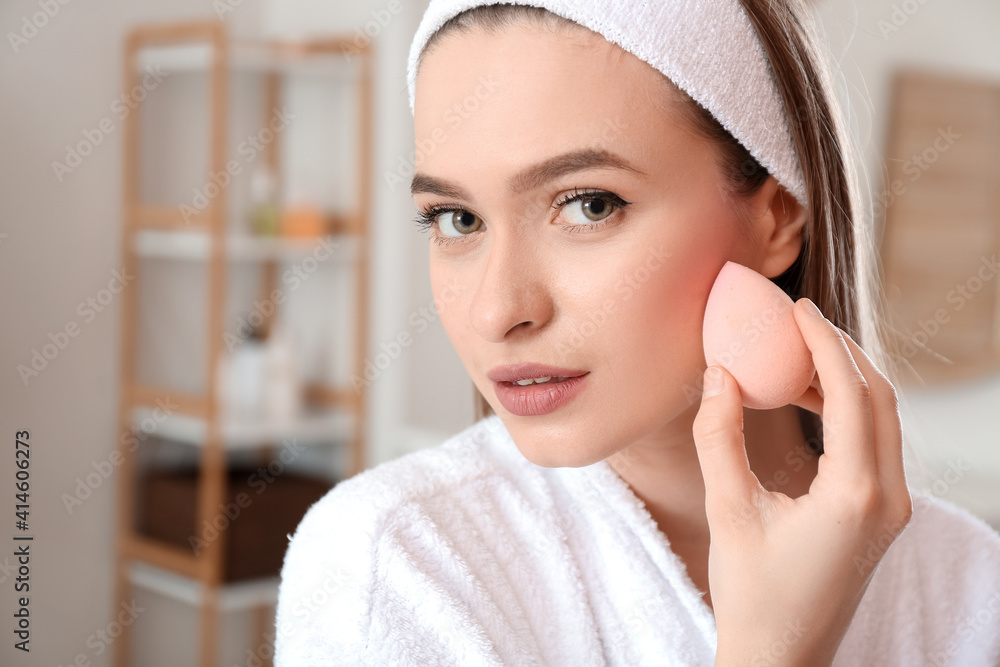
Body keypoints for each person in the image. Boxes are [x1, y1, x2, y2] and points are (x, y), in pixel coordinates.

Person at [274, 1, 1000, 665]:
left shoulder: (969, 583)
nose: (499, 311)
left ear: (776, 217)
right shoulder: (389, 561)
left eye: (589, 205)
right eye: (457, 219)